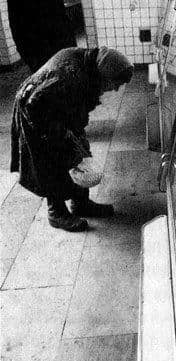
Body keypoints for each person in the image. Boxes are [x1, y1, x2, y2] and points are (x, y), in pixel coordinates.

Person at [10, 46, 134, 232]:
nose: (116, 89)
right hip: (35, 112)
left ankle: (81, 203)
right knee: (52, 160)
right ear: (104, 74)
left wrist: (74, 136)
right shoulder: (68, 78)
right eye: (115, 83)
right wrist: (61, 136)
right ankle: (56, 212)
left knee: (80, 154)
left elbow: (75, 104)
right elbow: (35, 106)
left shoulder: (90, 64)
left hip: (56, 110)